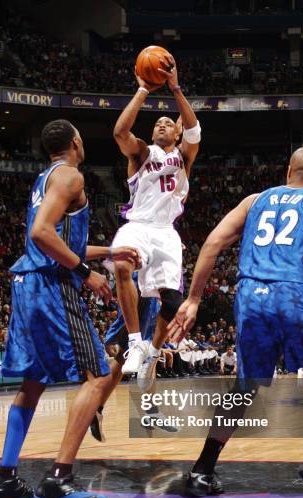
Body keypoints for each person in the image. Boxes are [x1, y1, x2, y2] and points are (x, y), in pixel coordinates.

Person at [169, 146, 303, 498]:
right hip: (294, 294)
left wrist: (192, 299)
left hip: (250, 296)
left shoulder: (254, 200)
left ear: (288, 171)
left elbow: (212, 242)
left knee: (244, 387)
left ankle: (202, 470)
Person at [0, 119, 140, 498]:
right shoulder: (70, 176)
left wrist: (108, 253)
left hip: (27, 283)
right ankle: (60, 476)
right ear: (76, 141)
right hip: (51, 286)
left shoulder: (46, 179)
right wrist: (86, 274)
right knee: (96, 375)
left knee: (33, 381)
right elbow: (41, 234)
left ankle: (5, 478)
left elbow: (56, 241)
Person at [111, 53, 200, 390]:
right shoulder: (142, 153)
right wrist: (143, 90)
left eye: (168, 123)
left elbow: (194, 129)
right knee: (120, 264)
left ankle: (152, 351)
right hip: (138, 225)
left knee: (173, 303)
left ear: (176, 133)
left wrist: (175, 89)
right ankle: (135, 341)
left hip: (166, 234)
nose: (162, 124)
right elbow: (120, 131)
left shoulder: (184, 156)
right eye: (157, 123)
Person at [89, 272, 178, 441]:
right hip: (140, 282)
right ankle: (95, 408)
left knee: (148, 354)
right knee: (126, 355)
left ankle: (152, 412)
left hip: (147, 288)